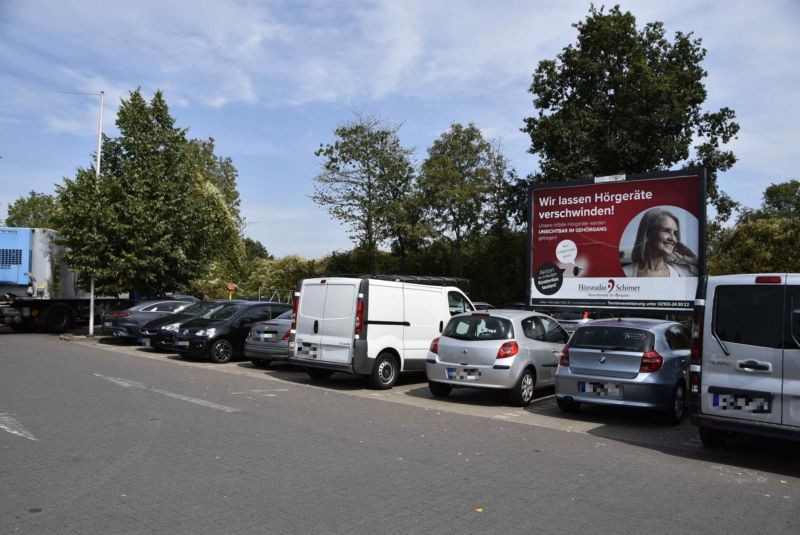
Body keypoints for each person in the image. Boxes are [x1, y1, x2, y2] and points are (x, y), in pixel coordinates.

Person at [622, 208, 698, 277]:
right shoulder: (625, 273)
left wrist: (695, 260)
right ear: (647, 234)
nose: (673, 239)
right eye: (666, 231)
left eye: (675, 233)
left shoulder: (684, 272)